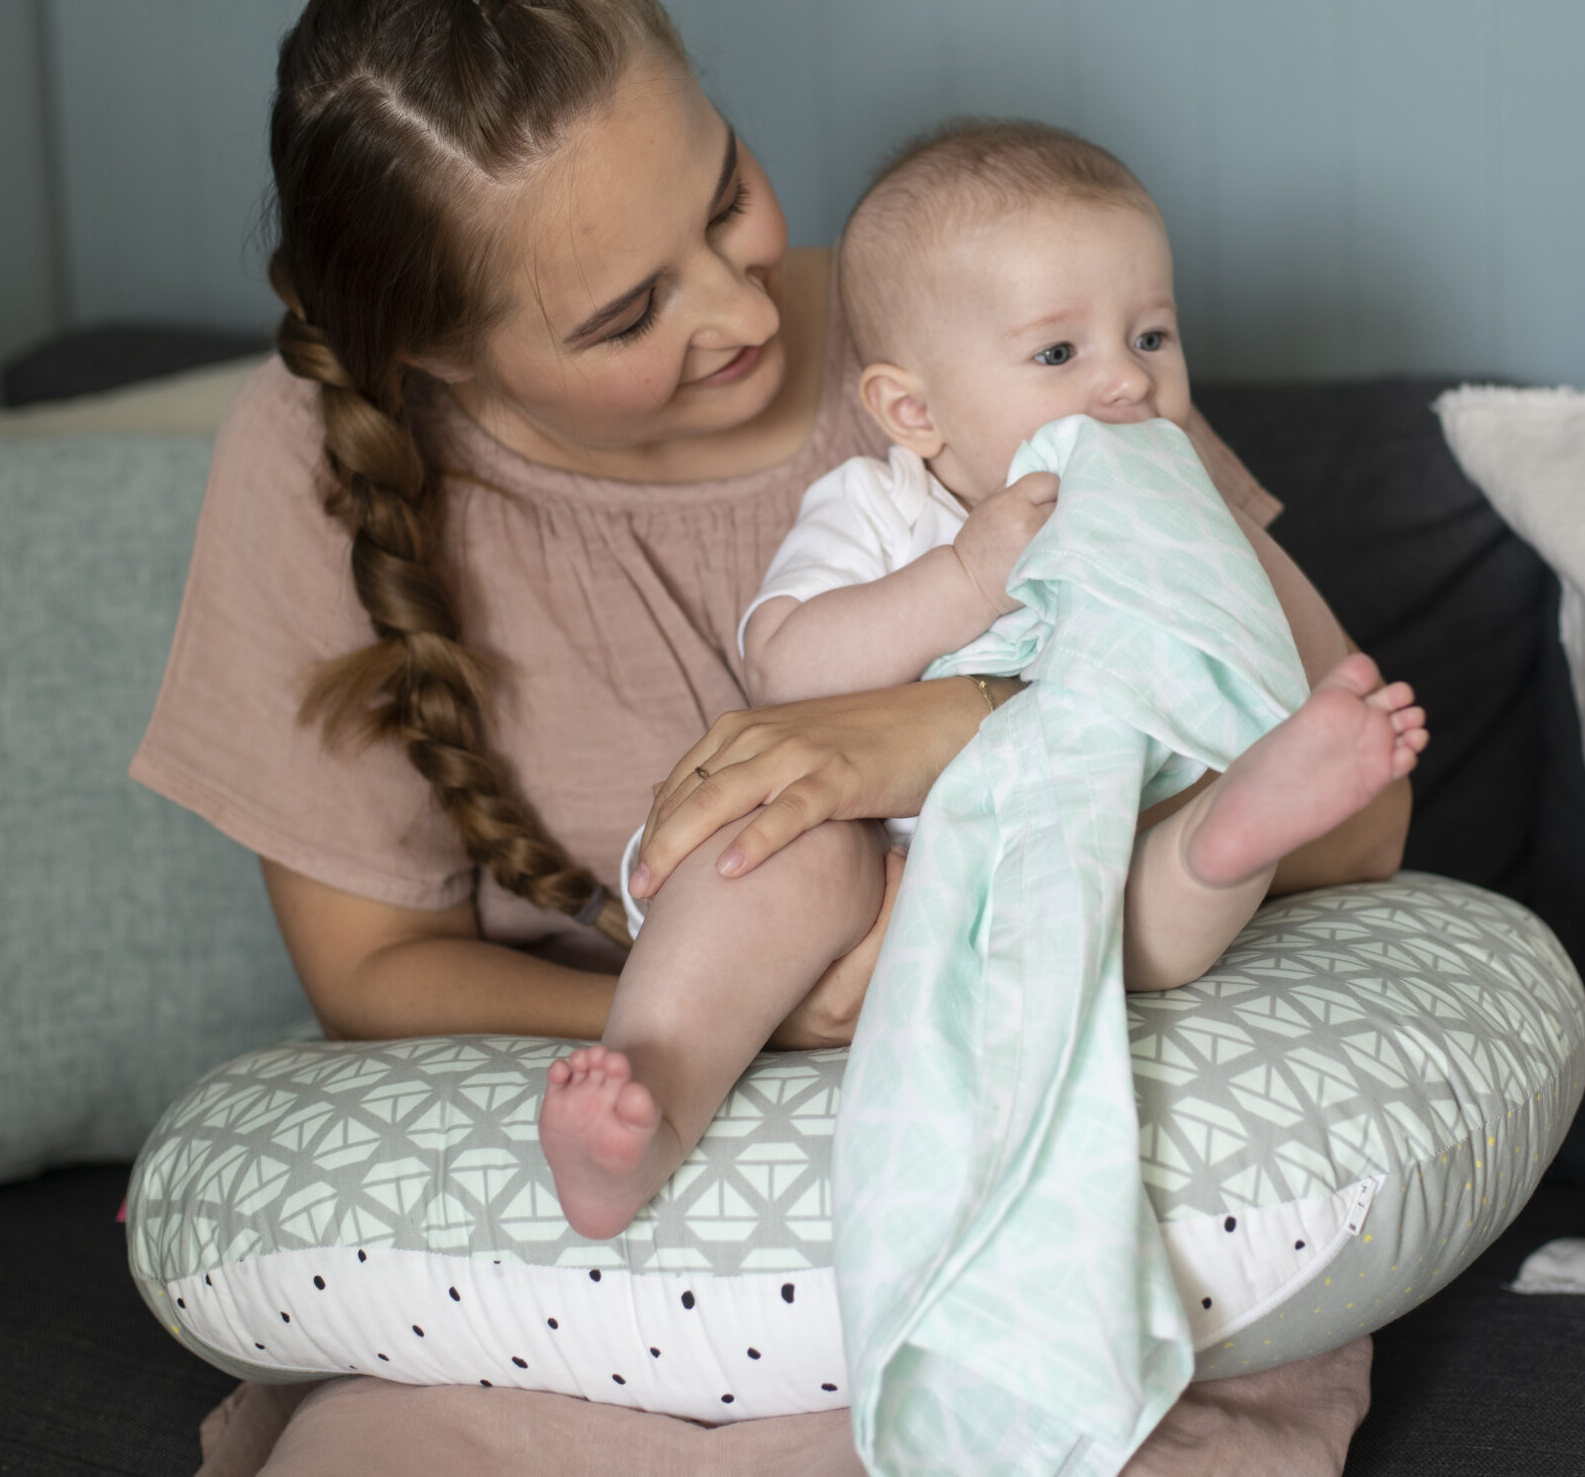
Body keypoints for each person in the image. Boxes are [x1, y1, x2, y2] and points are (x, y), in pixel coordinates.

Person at [131, 0, 1405, 1462]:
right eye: (624, 313)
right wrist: (748, 1033)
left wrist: (940, 729)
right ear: (439, 362)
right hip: (594, 1289)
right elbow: (374, 973)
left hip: (1009, 1211)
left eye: (725, 194)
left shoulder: (994, 333)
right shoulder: (312, 460)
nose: (740, 310)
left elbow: (1353, 810)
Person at [538, 120, 1428, 1238]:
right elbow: (786, 665)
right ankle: (650, 1100)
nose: (1126, 383)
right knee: (774, 856)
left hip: (1068, 852)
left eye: (1152, 335)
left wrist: (1230, 593)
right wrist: (964, 579)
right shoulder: (885, 508)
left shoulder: (1173, 513)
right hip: (878, 862)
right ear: (914, 411)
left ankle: (1231, 838)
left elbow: (1264, 670)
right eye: (1059, 355)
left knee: (1165, 866)